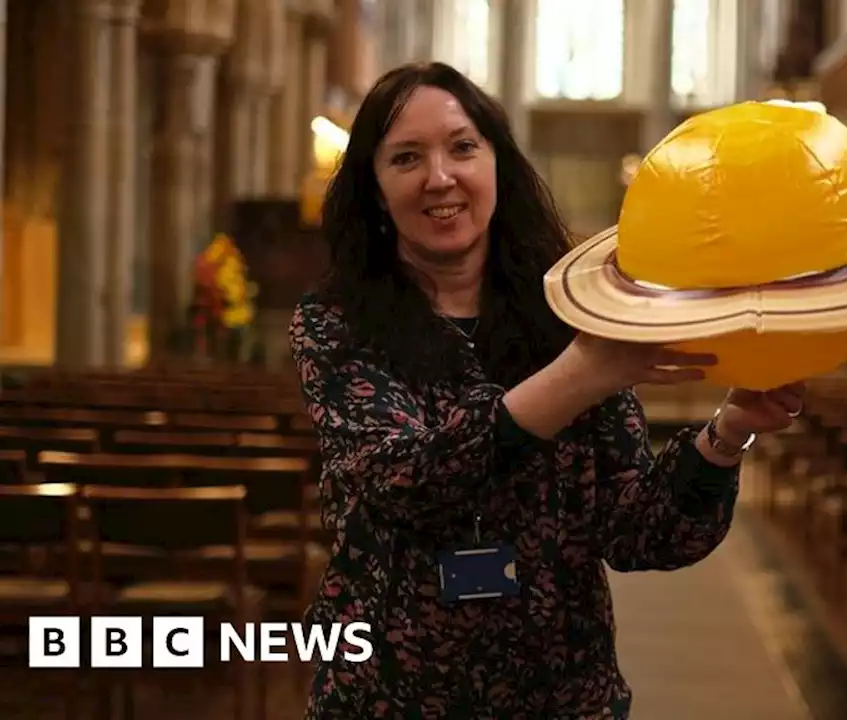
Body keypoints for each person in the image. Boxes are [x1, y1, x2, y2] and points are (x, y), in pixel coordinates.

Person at [291, 62, 805, 719]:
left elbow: (642, 533)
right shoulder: (335, 325)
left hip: (561, 698)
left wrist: (727, 435)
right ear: (374, 189)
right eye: (407, 157)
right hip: (391, 696)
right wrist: (580, 374)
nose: (440, 176)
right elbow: (409, 481)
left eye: (462, 146)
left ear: (498, 165)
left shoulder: (571, 317)